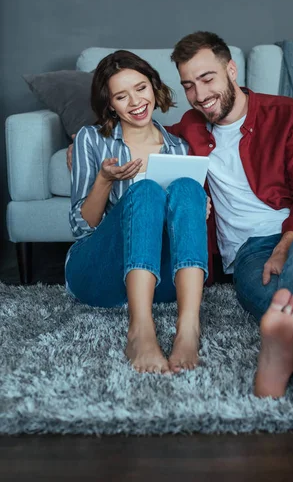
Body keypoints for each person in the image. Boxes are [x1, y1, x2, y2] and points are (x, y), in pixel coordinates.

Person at [67, 33, 293, 409]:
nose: (200, 94)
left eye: (208, 79)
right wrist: (90, 163)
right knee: (272, 298)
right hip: (242, 256)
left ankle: (278, 353)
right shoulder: (181, 131)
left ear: (231, 70)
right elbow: (138, 155)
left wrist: (283, 242)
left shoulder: (285, 116)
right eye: (189, 86)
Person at [65, 50, 210, 375]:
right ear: (110, 104)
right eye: (121, 96)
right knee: (144, 190)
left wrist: (197, 209)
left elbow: (186, 228)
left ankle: (189, 328)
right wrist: (104, 180)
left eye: (141, 88)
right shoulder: (93, 140)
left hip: (162, 282)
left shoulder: (180, 148)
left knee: (190, 189)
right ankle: (140, 330)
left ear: (154, 88)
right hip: (98, 274)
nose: (135, 102)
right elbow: (81, 227)